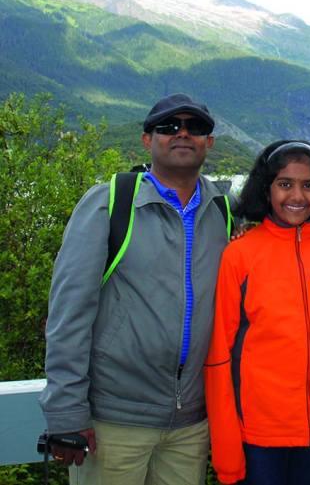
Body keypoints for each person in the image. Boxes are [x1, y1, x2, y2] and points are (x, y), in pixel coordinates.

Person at [39, 93, 235, 484]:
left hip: (191, 424)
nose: (182, 134)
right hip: (114, 421)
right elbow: (69, 312)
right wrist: (66, 413)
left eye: (195, 127)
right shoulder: (110, 204)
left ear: (209, 142)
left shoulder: (223, 211)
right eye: (168, 126)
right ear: (147, 140)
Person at [205, 140, 310, 485]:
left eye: (309, 185)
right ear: (266, 188)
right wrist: (227, 447)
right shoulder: (240, 255)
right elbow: (219, 355)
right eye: (285, 184)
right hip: (258, 430)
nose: (297, 196)